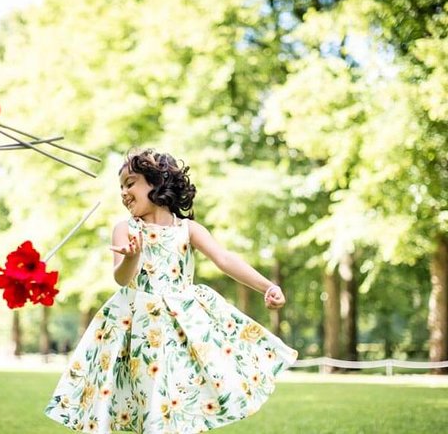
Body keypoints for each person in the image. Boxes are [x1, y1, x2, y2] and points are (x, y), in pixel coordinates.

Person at [45, 148, 298, 433]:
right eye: (121, 187)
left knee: (173, 400)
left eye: (130, 183)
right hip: (134, 329)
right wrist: (131, 256)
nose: (124, 193)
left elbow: (225, 259)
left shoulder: (188, 230)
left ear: (157, 181)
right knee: (141, 400)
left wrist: (268, 286)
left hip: (179, 329)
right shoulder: (124, 229)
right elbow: (122, 278)